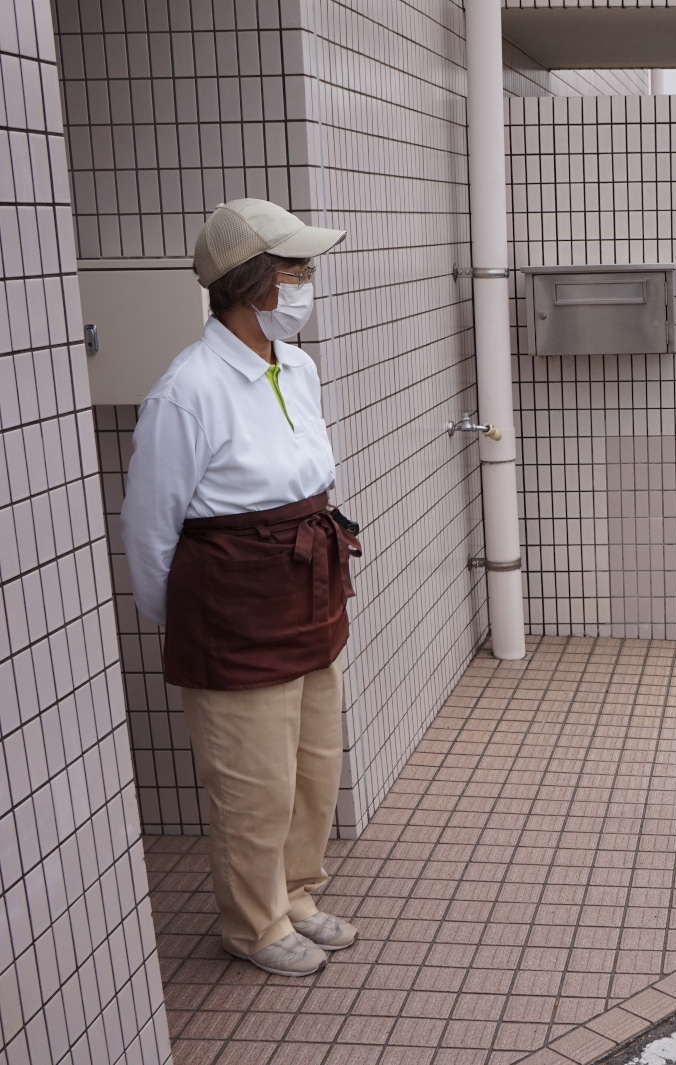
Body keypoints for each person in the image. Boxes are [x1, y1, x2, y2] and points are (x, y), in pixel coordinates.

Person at [122, 199, 361, 978]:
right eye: (294, 269)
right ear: (251, 281)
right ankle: (252, 924)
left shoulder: (296, 365)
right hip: (230, 602)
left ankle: (295, 893)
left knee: (312, 761)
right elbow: (151, 526)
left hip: (305, 583)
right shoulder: (186, 390)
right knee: (251, 780)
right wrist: (188, 627)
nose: (306, 282)